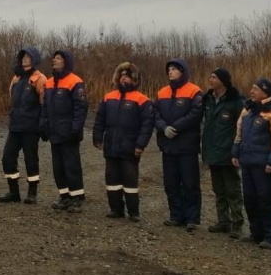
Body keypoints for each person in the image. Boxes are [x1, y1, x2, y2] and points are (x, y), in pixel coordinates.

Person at [231, 77, 271, 250]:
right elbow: (239, 133)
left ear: (265, 92)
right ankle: (256, 232)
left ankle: (270, 237)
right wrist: (236, 152)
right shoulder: (248, 110)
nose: (251, 91)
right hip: (247, 162)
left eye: (255, 89)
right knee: (250, 198)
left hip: (263, 165)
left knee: (265, 199)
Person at [92, 62, 153, 221]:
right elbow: (100, 120)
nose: (123, 79)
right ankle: (115, 209)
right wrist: (97, 138)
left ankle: (134, 212)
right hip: (111, 146)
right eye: (121, 76)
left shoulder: (142, 99)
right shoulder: (108, 97)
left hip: (130, 148)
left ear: (134, 80)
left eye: (127, 76)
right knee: (112, 179)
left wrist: (140, 144)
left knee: (130, 180)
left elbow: (147, 125)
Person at [154, 58, 204, 231]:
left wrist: (176, 127)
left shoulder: (194, 91)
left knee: (190, 183)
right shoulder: (162, 93)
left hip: (186, 145)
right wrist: (163, 127)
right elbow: (155, 114)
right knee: (171, 183)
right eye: (169, 69)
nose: (171, 72)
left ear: (183, 71)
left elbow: (196, 114)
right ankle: (176, 215)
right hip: (168, 145)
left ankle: (192, 218)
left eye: (174, 69)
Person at [0, 48, 47, 204]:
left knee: (31, 160)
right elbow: (11, 100)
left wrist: (43, 125)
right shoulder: (16, 78)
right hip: (15, 126)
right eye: (23, 57)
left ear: (34, 59)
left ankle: (32, 194)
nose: (24, 59)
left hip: (31, 127)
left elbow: (44, 104)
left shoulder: (40, 78)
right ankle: (14, 193)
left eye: (28, 57)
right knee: (7, 158)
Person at [40, 50, 88, 213]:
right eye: (54, 58)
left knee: (71, 166)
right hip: (54, 132)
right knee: (58, 167)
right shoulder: (49, 82)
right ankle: (64, 196)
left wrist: (76, 128)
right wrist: (44, 126)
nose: (54, 60)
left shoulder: (75, 81)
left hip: (69, 133)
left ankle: (77, 198)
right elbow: (45, 107)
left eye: (58, 58)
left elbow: (80, 107)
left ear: (66, 61)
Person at [201, 68, 245, 238]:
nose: (211, 80)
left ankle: (237, 224)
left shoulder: (235, 102)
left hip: (228, 152)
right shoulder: (209, 99)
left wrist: (236, 150)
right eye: (210, 76)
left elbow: (241, 127)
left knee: (232, 190)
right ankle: (223, 221)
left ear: (223, 80)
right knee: (218, 189)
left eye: (214, 77)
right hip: (212, 150)